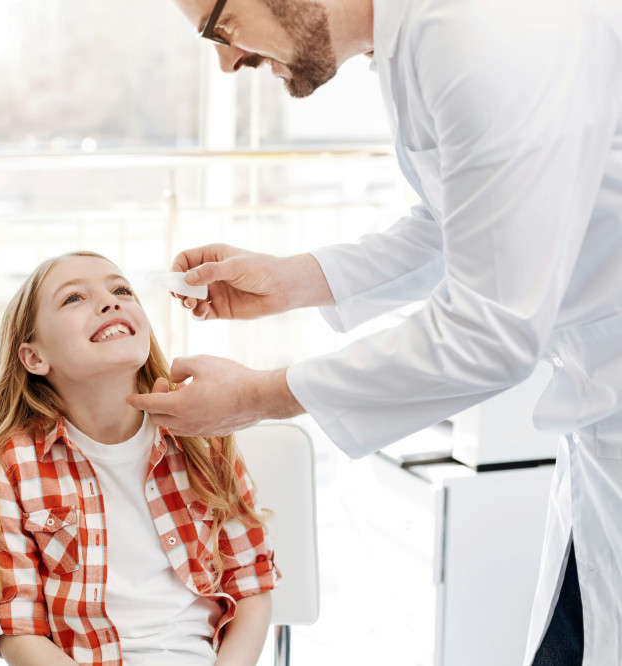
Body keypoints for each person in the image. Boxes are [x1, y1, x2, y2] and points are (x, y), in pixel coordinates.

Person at [129, 0, 622, 664]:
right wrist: (294, 280)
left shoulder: (482, 32)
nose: (227, 61)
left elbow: (487, 334)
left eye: (222, 25)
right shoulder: (419, 36)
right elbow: (460, 225)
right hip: (598, 407)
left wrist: (254, 398)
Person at [0, 251, 279, 666]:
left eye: (121, 290)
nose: (110, 302)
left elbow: (251, 585)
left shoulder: (202, 435)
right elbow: (17, 628)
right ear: (35, 357)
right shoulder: (14, 461)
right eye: (74, 298)